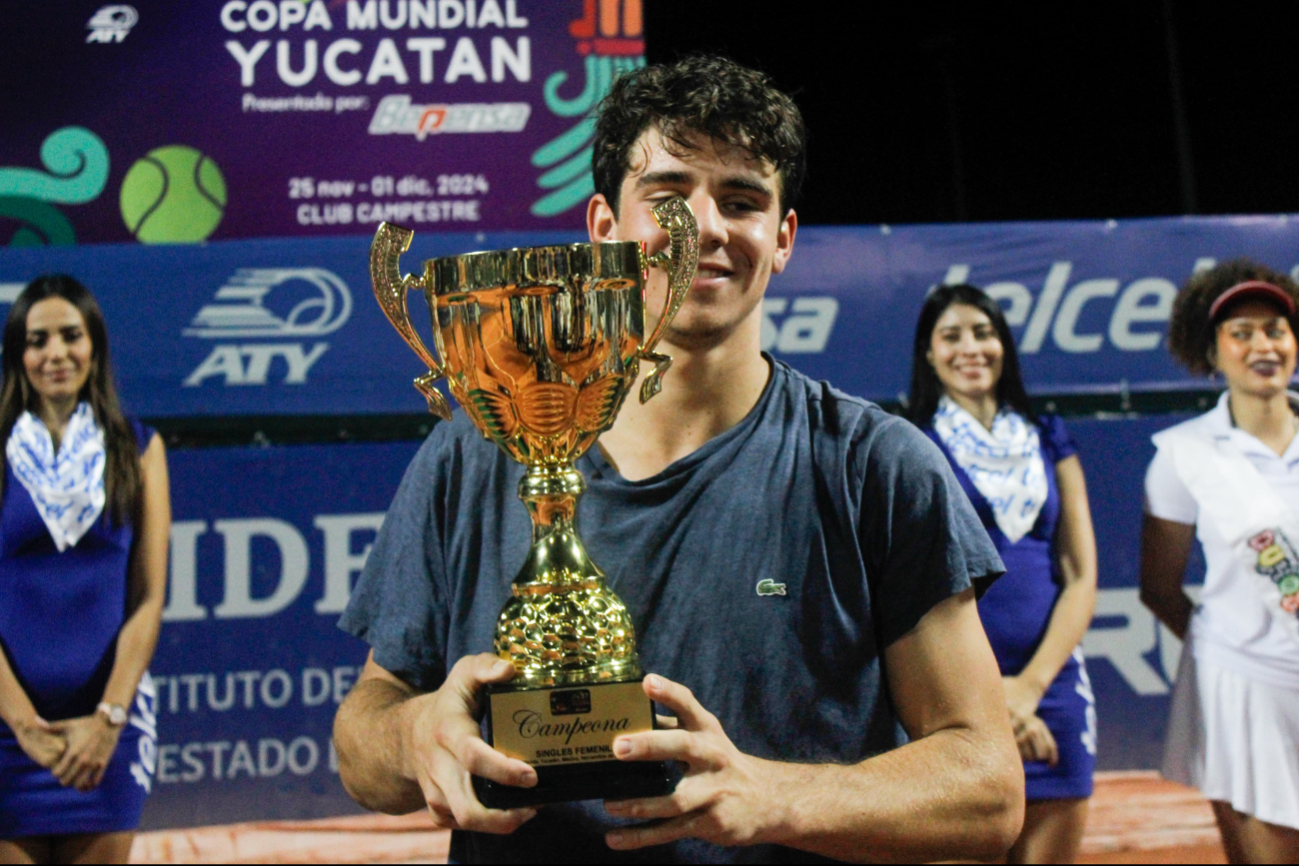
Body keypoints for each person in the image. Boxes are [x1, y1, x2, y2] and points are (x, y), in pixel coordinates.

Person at [334, 55, 1023, 863]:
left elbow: (987, 788)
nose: (705, 228)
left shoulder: (875, 464)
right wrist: (417, 734)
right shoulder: (472, 451)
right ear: (602, 227)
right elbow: (360, 743)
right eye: (668, 195)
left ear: (783, 238)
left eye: (741, 201)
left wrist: (775, 796)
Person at [907, 284, 1099, 863]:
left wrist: (1030, 690)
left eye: (984, 332)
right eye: (951, 336)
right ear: (928, 354)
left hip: (1053, 686)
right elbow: (908, 589)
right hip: (952, 694)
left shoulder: (1048, 437)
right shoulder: (910, 444)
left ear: (1004, 345)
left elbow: (1081, 573)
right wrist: (996, 702)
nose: (971, 348)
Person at [0, 275, 170, 864]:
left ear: (93, 344)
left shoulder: (140, 449)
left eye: (70, 336)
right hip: (8, 737)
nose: (55, 353)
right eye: (37, 339)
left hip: (106, 738)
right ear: (18, 354)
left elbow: (149, 601)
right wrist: (24, 728)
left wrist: (108, 720)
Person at [1141, 260, 1299, 864]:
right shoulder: (1184, 456)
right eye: (1241, 332)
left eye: (1275, 329)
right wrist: (1234, 649)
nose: (1262, 344)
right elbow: (1160, 589)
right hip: (1246, 692)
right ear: (1212, 352)